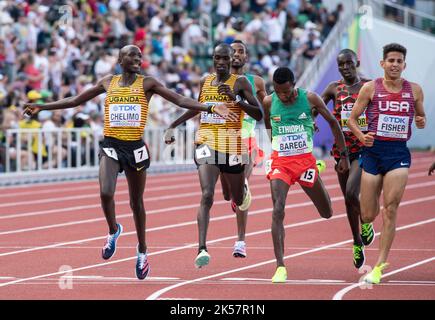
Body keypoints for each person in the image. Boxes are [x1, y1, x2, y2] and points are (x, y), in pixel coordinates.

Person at [23, 45, 236, 280]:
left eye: (140, 56)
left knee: (136, 202)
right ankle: (114, 230)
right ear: (119, 59)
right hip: (112, 145)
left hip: (135, 148)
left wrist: (208, 106)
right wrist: (42, 107)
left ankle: (142, 251)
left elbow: (179, 99)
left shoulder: (147, 83)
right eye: (132, 56)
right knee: (106, 192)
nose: (137, 59)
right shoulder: (108, 82)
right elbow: (75, 100)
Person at [164, 43, 263, 268]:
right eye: (217, 58)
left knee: (234, 198)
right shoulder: (205, 81)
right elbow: (198, 107)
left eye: (224, 59)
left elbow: (258, 114)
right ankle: (201, 248)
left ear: (230, 61)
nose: (220, 62)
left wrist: (237, 100)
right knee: (207, 194)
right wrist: (173, 124)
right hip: (206, 142)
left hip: (232, 144)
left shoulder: (241, 82)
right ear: (213, 59)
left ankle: (242, 191)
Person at [347, 43, 426, 284]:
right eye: (390, 60)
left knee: (390, 209)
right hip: (372, 154)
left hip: (398, 154)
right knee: (369, 214)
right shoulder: (370, 88)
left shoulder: (414, 90)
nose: (394, 64)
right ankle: (366, 226)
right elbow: (352, 120)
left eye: (399, 61)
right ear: (383, 63)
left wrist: (421, 120)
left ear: (404, 65)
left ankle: (380, 265)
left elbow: (420, 115)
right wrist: (361, 137)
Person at [264, 67, 349, 283]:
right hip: (281, 163)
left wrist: (344, 156)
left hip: (304, 164)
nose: (282, 96)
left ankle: (318, 167)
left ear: (294, 85)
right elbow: (268, 126)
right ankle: (280, 266)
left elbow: (332, 122)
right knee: (277, 208)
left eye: (286, 91)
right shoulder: (268, 101)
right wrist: (275, 148)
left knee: (327, 212)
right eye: (278, 92)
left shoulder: (310, 98)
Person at [321, 49, 374, 269]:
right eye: (341, 64)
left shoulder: (368, 86)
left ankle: (366, 221)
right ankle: (356, 243)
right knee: (347, 200)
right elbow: (316, 105)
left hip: (363, 147)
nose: (345, 68)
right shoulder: (334, 88)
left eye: (349, 63)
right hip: (342, 150)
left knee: (353, 192)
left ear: (357, 63)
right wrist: (311, 120)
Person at [219, 40, 267, 258]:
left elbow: (266, 108)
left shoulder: (256, 81)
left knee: (242, 188)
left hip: (246, 138)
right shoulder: (218, 80)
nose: (237, 55)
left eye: (241, 52)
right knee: (227, 193)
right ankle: (235, 195)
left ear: (246, 57)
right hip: (223, 139)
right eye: (233, 52)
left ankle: (240, 241)